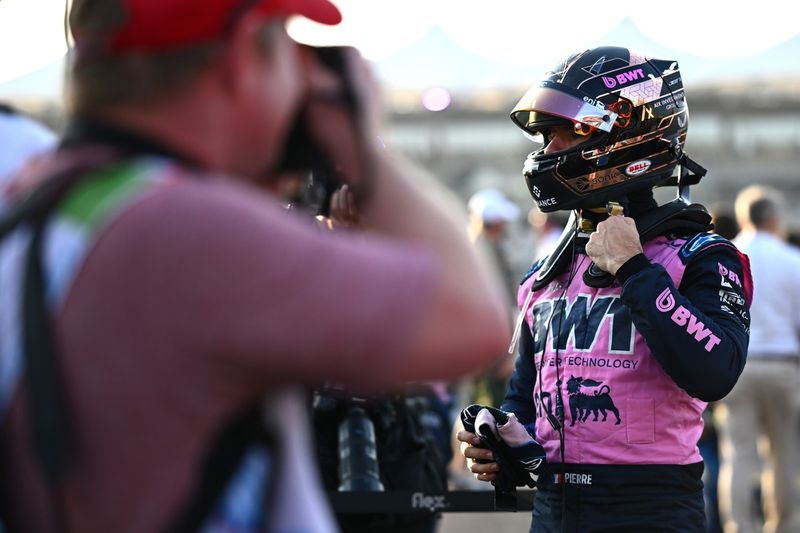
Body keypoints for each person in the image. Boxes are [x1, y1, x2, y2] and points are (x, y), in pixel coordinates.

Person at [0, 1, 511, 532]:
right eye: (289, 44)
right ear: (244, 56)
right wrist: (361, 145)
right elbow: (473, 321)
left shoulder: (45, 202)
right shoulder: (188, 231)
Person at [457, 46, 753, 532]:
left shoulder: (700, 255)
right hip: (554, 510)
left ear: (628, 133)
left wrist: (634, 268)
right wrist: (502, 436)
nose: (546, 152)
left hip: (652, 509)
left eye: (562, 134)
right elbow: (524, 398)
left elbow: (716, 371)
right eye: (545, 137)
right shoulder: (547, 271)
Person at [716, 185, 800, 533]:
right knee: (784, 455)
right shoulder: (793, 259)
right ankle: (784, 525)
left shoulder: (726, 257)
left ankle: (740, 526)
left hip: (737, 366)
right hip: (783, 364)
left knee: (737, 455)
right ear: (775, 219)